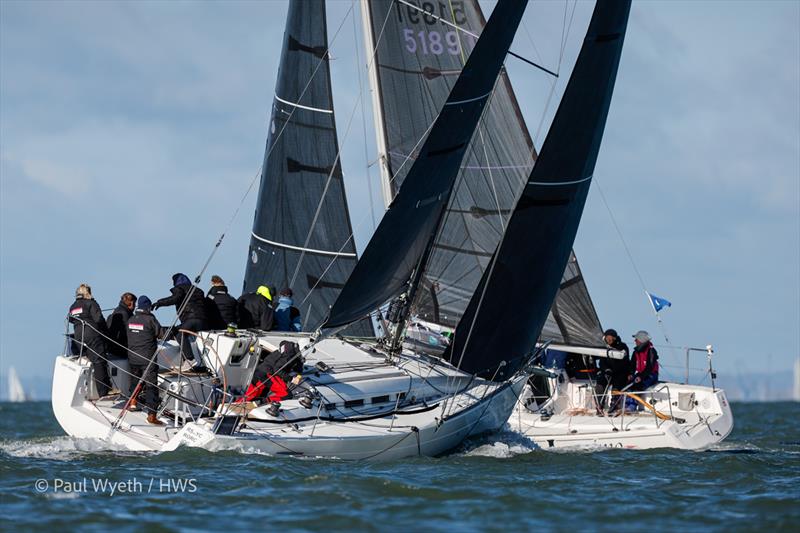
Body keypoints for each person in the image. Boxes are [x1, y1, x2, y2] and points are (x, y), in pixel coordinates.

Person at [153, 273, 208, 365]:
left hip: (191, 319)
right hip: (203, 321)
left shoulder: (180, 288)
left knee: (179, 334)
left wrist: (160, 303)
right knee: (185, 333)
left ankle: (189, 359)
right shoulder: (198, 290)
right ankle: (195, 362)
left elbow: (175, 298)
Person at [125, 295, 164, 425]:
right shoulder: (150, 319)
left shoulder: (130, 319)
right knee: (151, 385)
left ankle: (132, 402)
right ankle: (152, 415)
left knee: (135, 380)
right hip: (147, 358)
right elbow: (161, 334)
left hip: (133, 357)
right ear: (147, 307)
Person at [67, 283, 111, 398]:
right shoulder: (91, 303)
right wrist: (106, 332)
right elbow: (99, 319)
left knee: (93, 361)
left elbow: (70, 319)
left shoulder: (73, 306)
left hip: (78, 337)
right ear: (88, 293)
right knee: (99, 362)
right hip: (92, 336)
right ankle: (104, 392)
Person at [595, 328, 630, 411]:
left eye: (610, 338)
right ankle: (599, 405)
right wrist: (606, 369)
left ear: (614, 338)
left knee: (617, 383)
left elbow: (625, 362)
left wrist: (614, 370)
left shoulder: (622, 346)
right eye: (607, 338)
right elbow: (601, 362)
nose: (609, 340)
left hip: (620, 372)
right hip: (608, 372)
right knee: (600, 382)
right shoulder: (604, 347)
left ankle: (614, 406)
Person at [106, 292, 136, 357]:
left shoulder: (117, 310)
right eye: (134, 303)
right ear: (131, 303)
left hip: (111, 347)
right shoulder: (126, 314)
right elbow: (129, 333)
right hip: (120, 349)